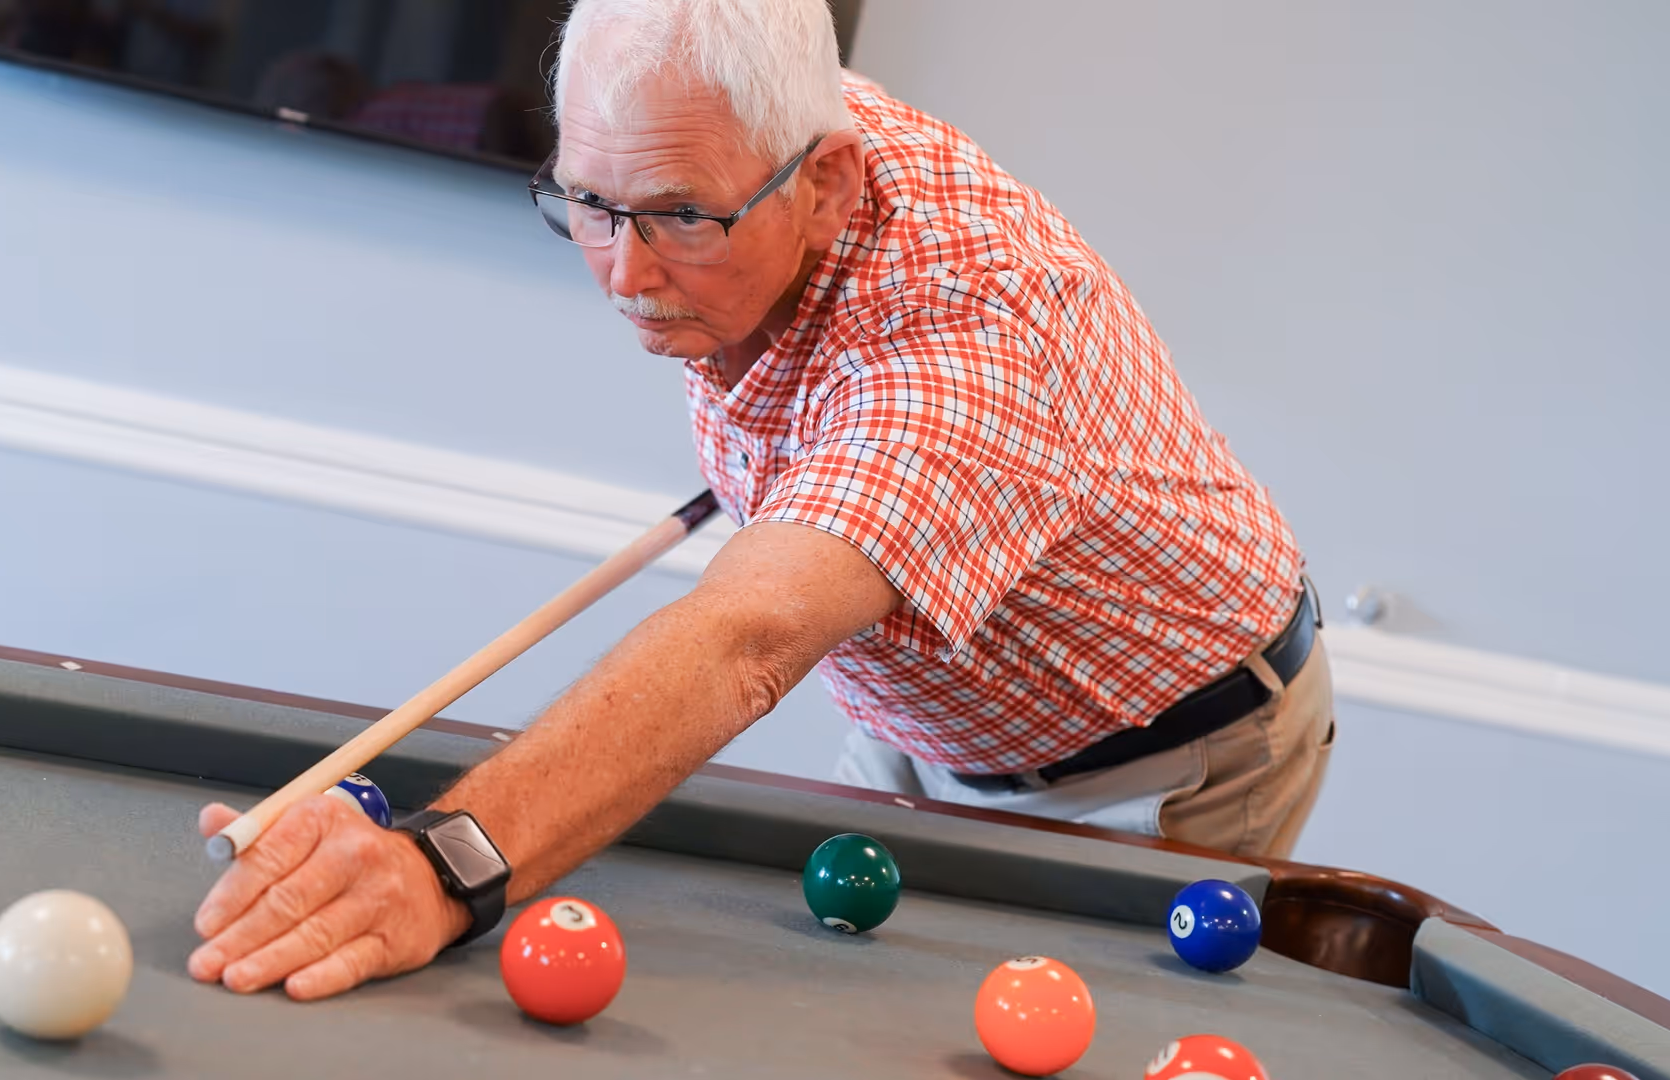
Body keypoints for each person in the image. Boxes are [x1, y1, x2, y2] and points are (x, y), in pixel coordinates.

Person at [188, 0, 1335, 1002]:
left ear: (827, 184)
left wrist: (450, 864)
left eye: (681, 217)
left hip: (1161, 758)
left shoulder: (974, 332)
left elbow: (749, 638)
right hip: (919, 721)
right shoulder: (751, 130)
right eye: (589, 202)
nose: (626, 274)